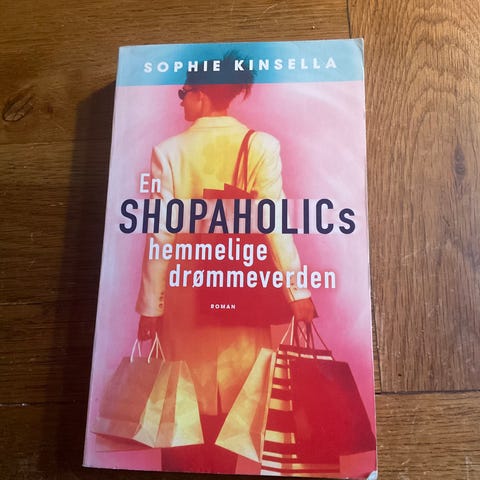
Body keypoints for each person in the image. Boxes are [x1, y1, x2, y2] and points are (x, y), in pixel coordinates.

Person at [135, 52, 316, 474]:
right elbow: (274, 226)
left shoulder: (168, 152)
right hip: (242, 295)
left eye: (183, 92)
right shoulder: (262, 146)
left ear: (200, 95)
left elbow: (160, 235)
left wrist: (151, 308)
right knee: (236, 413)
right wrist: (297, 293)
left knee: (181, 413)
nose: (181, 101)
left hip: (185, 299)